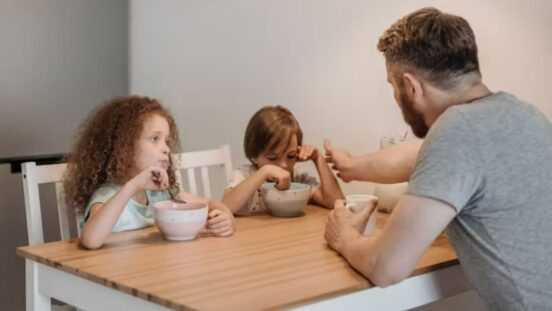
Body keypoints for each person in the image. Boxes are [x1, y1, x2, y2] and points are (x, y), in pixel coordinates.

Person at [324, 7, 552, 310]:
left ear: (411, 86)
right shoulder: (525, 115)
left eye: (393, 87)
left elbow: (387, 267)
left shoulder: (456, 130)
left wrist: (345, 238)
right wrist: (352, 166)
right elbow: (420, 158)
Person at [64, 96, 235, 249]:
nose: (166, 149)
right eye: (155, 139)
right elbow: (90, 240)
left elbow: (210, 204)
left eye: (167, 141)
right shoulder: (109, 195)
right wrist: (133, 185)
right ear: (125, 146)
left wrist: (225, 217)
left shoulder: (158, 195)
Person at [222, 105, 344, 215]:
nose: (284, 165)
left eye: (291, 156)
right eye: (272, 158)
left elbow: (336, 203)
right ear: (254, 157)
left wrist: (318, 158)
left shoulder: (298, 178)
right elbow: (224, 207)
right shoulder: (246, 175)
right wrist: (265, 171)